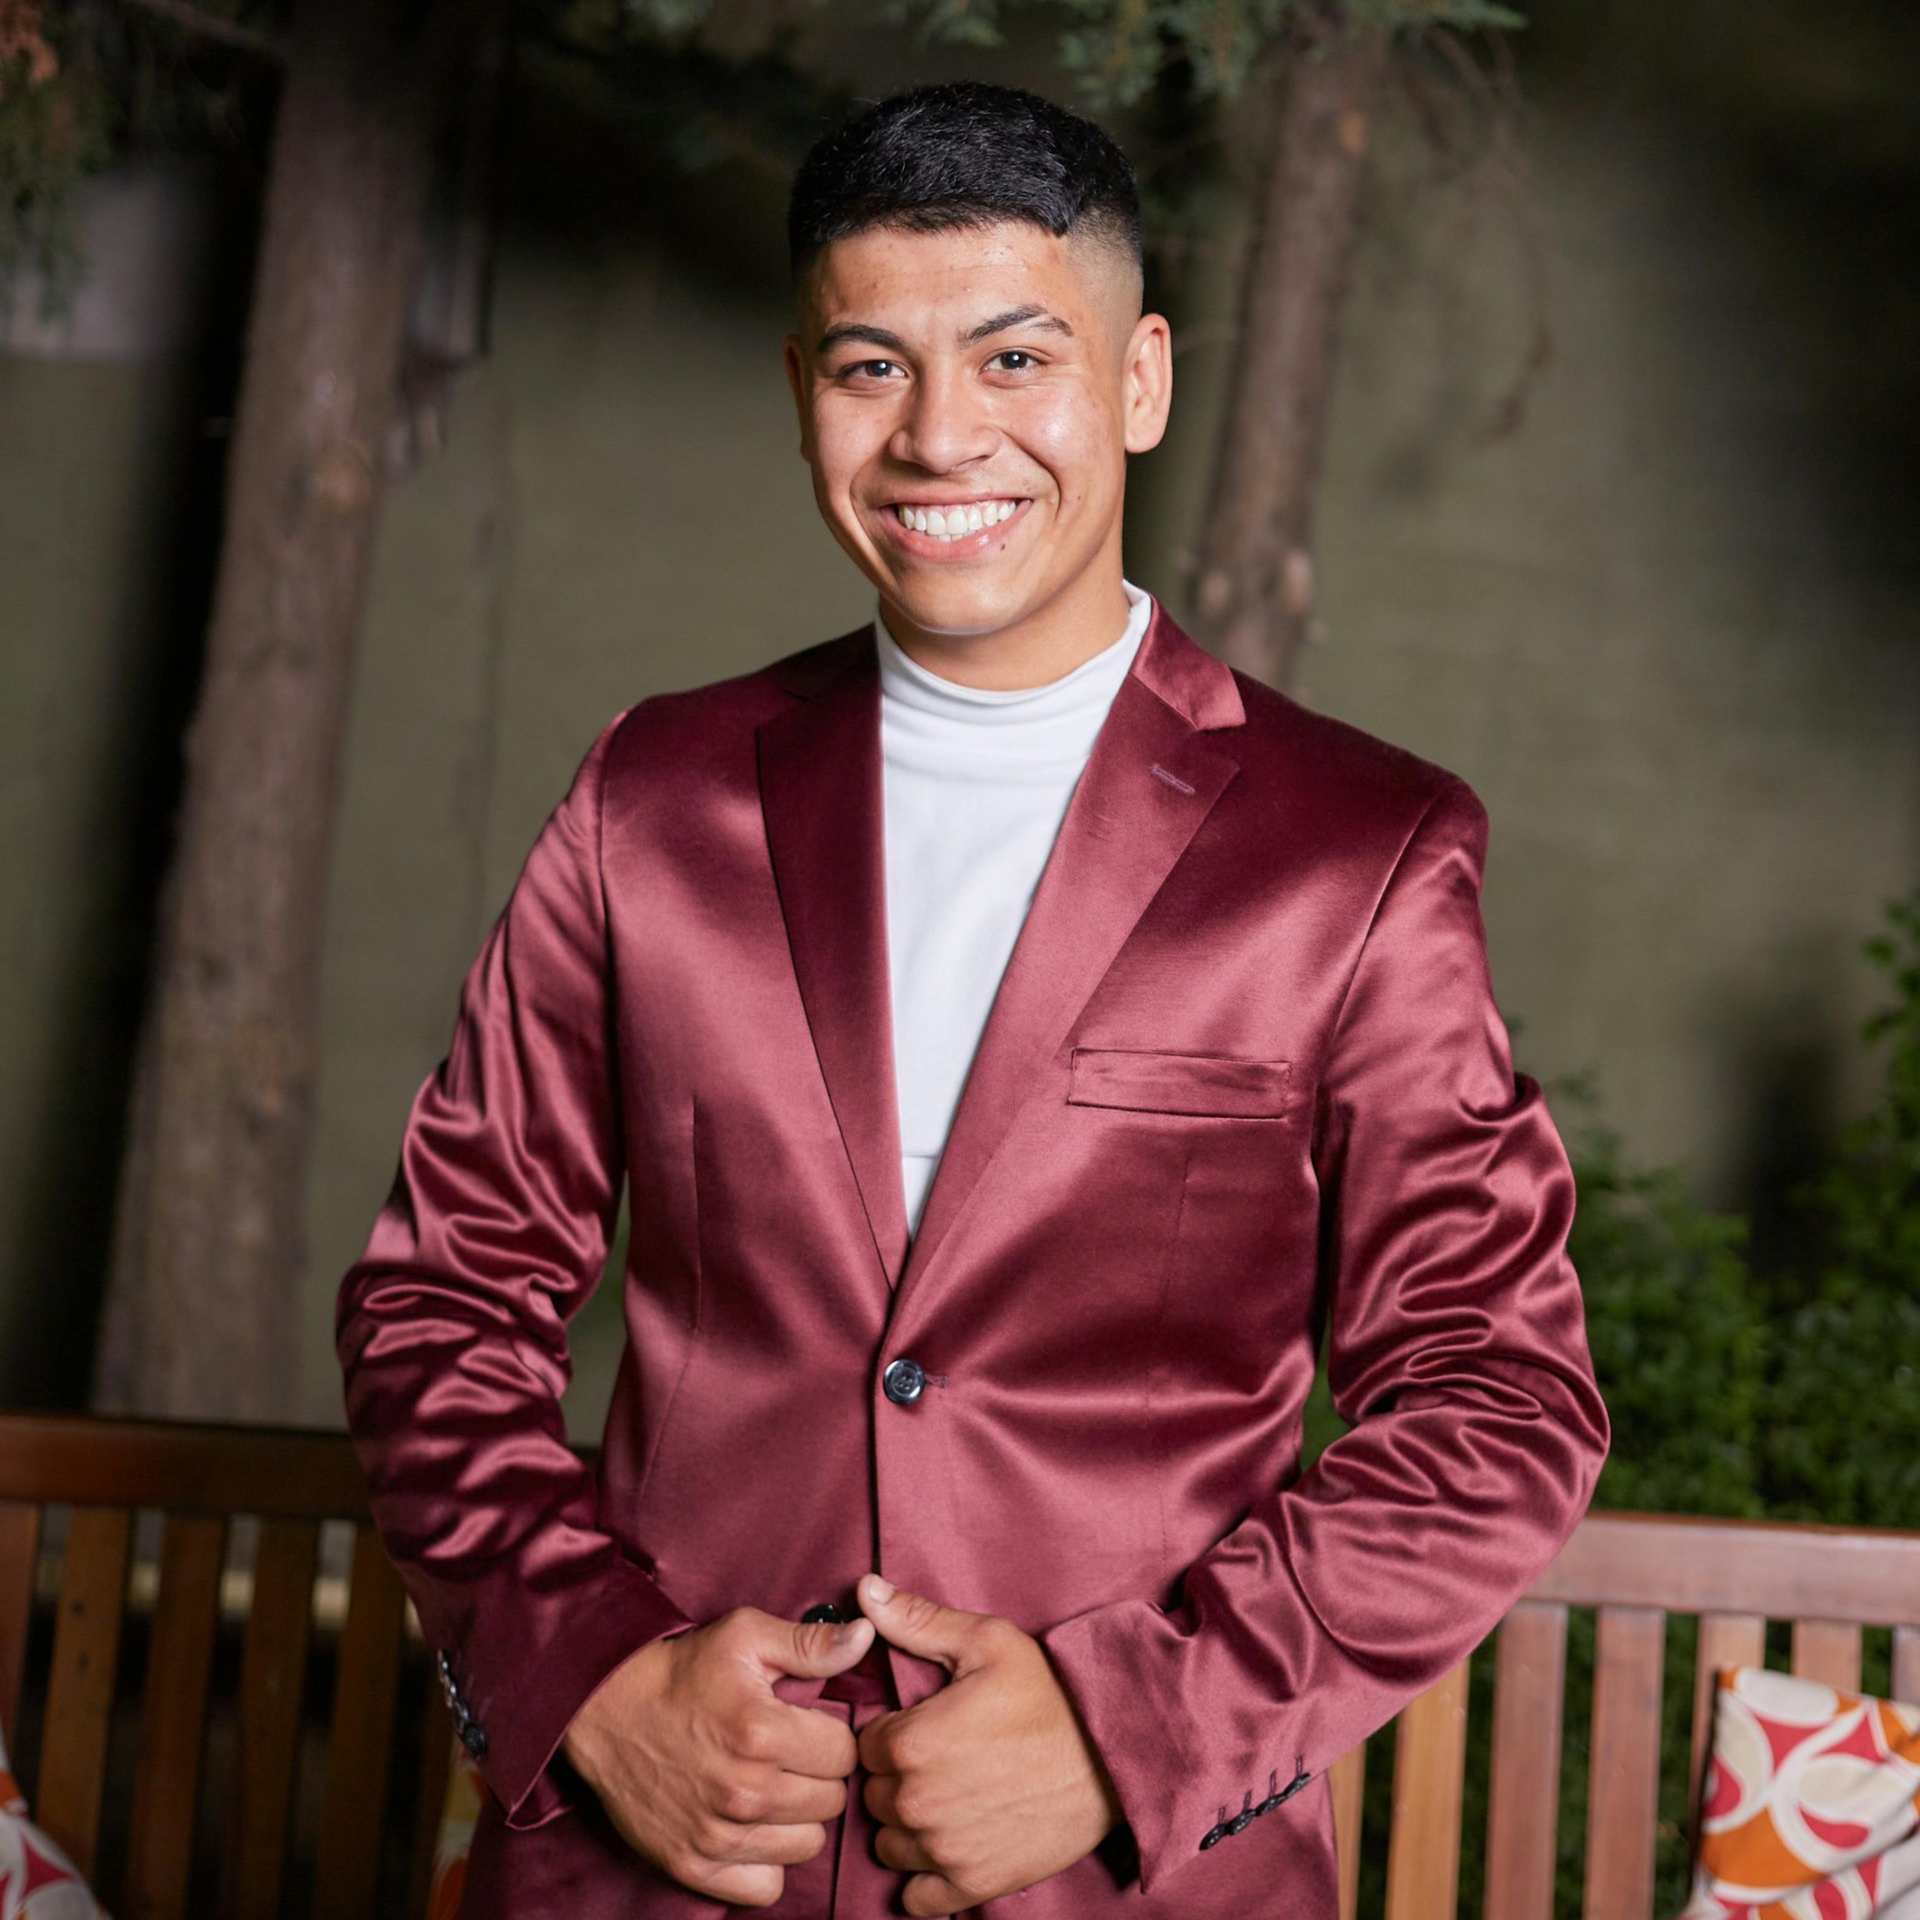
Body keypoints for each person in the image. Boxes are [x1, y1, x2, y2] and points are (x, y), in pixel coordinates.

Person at [335, 77, 1611, 1920]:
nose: (944, 438)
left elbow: (1497, 1395)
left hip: (1120, 1878)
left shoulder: (1362, 851)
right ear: (801, 397)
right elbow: (440, 1293)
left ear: (1142, 380)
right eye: (873, 369)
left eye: (1018, 359)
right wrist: (596, 1684)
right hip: (668, 1863)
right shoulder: (650, 801)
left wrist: (1133, 1728)